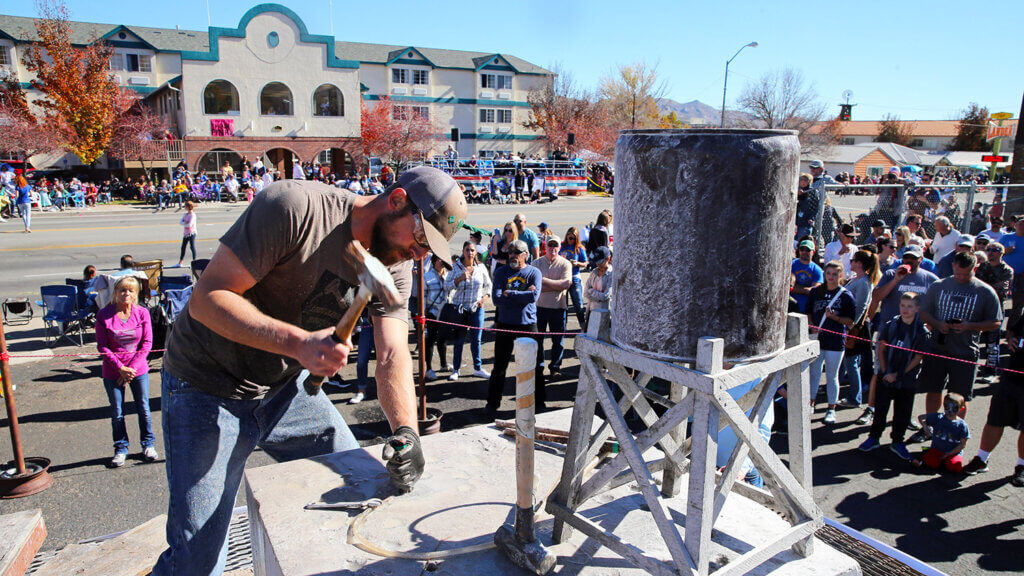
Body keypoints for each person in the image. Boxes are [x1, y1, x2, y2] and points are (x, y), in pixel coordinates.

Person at [153, 167, 467, 575]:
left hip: (283, 389)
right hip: (205, 385)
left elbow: (392, 354)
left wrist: (406, 431)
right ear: (396, 200)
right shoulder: (294, 208)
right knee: (198, 556)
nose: (421, 254)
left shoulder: (396, 263)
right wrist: (299, 345)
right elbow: (207, 299)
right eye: (422, 238)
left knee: (362, 486)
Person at [913, 251, 1002, 444]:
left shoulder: (985, 291)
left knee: (959, 396)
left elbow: (995, 322)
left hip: (965, 351)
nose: (961, 277)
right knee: (933, 390)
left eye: (966, 274)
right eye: (958, 273)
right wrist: (938, 324)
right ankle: (929, 428)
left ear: (975, 269)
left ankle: (955, 433)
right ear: (953, 266)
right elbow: (924, 313)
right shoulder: (939, 286)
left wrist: (969, 326)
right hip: (937, 347)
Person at [94, 276, 157, 468]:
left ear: (136, 294)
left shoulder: (142, 313)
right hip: (113, 371)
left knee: (144, 408)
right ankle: (121, 448)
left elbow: (147, 344)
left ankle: (148, 444)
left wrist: (132, 369)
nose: (126, 294)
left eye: (130, 290)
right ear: (115, 292)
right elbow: (102, 346)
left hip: (137, 370)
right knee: (117, 412)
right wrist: (120, 368)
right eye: (122, 290)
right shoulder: (104, 315)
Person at [858, 292, 928, 460]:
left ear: (917, 308)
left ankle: (897, 441)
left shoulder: (921, 331)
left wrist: (898, 374)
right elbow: (881, 348)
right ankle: (874, 437)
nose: (905, 309)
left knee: (902, 413)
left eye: (909, 306)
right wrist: (885, 371)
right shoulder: (891, 325)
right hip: (886, 376)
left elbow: (918, 357)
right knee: (880, 410)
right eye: (903, 305)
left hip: (907, 379)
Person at [961, 312, 1024, 485]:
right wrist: (1011, 339)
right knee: (995, 420)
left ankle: (1021, 466)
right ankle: (981, 459)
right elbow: (1013, 331)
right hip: (1011, 377)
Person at [486, 240, 541, 416]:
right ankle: (492, 403)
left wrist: (511, 293)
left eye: (517, 252)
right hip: (505, 324)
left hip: (528, 325)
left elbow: (533, 296)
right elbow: (497, 299)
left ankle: (539, 402)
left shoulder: (534, 272)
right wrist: (523, 294)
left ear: (526, 254)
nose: (512, 256)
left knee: (535, 366)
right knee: (499, 366)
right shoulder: (501, 272)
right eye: (510, 252)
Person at [807, 261, 856, 425]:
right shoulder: (816, 292)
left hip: (835, 341)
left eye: (835, 274)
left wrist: (836, 317)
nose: (831, 277)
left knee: (832, 376)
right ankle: (810, 403)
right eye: (829, 273)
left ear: (840, 275)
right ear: (824, 274)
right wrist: (812, 326)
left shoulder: (845, 295)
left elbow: (851, 321)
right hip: (818, 339)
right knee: (814, 373)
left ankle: (831, 408)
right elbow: (808, 312)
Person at [444, 242, 492, 381]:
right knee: (459, 340)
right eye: (467, 250)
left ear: (476, 252)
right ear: (463, 251)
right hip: (460, 309)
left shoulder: (481, 267)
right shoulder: (456, 267)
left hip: (477, 308)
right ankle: (456, 369)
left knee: (476, 340)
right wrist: (459, 279)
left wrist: (484, 298)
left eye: (472, 250)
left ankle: (477, 368)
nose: (470, 253)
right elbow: (446, 286)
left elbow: (489, 285)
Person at [839, 250, 880, 408]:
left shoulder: (863, 282)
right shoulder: (858, 280)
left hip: (856, 328)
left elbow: (861, 307)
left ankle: (854, 398)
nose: (851, 262)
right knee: (849, 361)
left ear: (860, 263)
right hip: (851, 326)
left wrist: (851, 325)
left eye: (853, 260)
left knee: (852, 363)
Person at [534, 235, 572, 375]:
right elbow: (533, 287)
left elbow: (566, 284)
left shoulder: (565, 264)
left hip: (558, 308)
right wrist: (556, 286)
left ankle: (555, 368)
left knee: (558, 342)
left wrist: (543, 281)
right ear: (545, 246)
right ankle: (539, 367)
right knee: (538, 340)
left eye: (555, 245)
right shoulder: (536, 263)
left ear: (559, 247)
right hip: (540, 308)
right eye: (550, 245)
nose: (553, 248)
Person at [976, 241, 1013, 378]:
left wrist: (986, 287)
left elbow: (1001, 290)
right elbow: (976, 285)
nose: (990, 252)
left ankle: (991, 371)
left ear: (1001, 253)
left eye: (995, 250)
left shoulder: (1007, 270)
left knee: (992, 343)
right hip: (979, 307)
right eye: (989, 249)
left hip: (995, 309)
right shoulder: (982, 267)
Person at [912, 392, 970, 473]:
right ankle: (930, 454)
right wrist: (925, 427)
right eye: (947, 407)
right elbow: (921, 417)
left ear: (962, 408)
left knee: (955, 467)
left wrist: (948, 454)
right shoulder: (938, 417)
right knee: (932, 463)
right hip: (937, 449)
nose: (949, 411)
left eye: (954, 408)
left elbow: (962, 444)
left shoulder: (962, 425)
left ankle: (943, 460)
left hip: (953, 452)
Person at [559, 226, 588, 328]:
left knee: (578, 303)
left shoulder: (579, 248)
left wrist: (577, 263)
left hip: (574, 277)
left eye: (573, 238)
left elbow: (586, 263)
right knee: (563, 304)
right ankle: (563, 326)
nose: (570, 240)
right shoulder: (562, 246)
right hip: (563, 278)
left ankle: (582, 325)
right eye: (569, 237)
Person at [791, 239, 823, 314]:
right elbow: (788, 286)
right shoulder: (792, 264)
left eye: (808, 250)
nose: (804, 252)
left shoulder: (817, 270)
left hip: (806, 309)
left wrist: (796, 288)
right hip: (790, 305)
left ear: (813, 252)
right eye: (802, 249)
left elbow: (815, 291)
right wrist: (806, 290)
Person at [584, 246, 613, 326]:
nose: (598, 264)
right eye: (596, 262)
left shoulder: (611, 274)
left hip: (605, 313)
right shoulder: (594, 272)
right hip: (591, 311)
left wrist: (592, 291)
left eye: (600, 262)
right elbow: (585, 293)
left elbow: (606, 296)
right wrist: (598, 295)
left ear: (608, 259)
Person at [177, 201, 197, 267]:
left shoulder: (193, 215)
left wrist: (185, 223)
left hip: (192, 233)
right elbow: (180, 222)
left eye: (185, 206)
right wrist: (185, 223)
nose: (184, 207)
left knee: (192, 247)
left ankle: (195, 261)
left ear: (188, 207)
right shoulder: (185, 214)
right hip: (186, 233)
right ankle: (180, 262)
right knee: (183, 247)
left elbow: (190, 224)